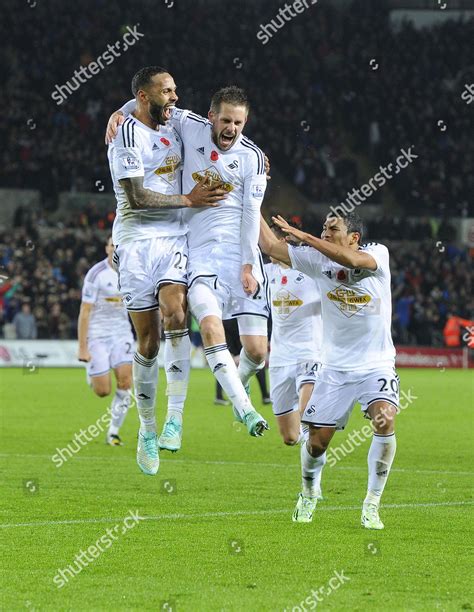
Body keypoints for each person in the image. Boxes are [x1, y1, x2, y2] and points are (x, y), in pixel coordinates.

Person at [108, 85, 270, 437]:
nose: (231, 128)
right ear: (211, 117)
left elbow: (252, 213)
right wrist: (118, 112)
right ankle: (233, 409)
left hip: (241, 256)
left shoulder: (253, 158)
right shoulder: (189, 125)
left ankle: (234, 381)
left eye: (238, 123)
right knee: (199, 325)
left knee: (257, 352)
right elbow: (152, 103)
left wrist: (247, 264)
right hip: (196, 254)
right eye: (225, 120)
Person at [107, 66, 226, 475]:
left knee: (176, 310)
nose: (175, 97)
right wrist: (189, 200)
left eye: (176, 89)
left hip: (174, 238)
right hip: (136, 242)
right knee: (148, 342)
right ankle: (146, 427)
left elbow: (218, 123)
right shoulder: (126, 135)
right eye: (167, 91)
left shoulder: (171, 120)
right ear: (145, 96)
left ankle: (174, 419)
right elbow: (137, 197)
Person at [259, 211, 398, 529]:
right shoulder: (315, 261)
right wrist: (249, 190)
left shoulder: (377, 253)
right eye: (322, 228)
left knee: (385, 418)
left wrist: (304, 237)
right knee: (316, 443)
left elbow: (351, 262)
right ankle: (308, 493)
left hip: (376, 364)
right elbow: (269, 245)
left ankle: (372, 504)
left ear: (354, 238)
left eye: (332, 229)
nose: (324, 232)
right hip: (334, 369)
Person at [265, 222, 323, 500]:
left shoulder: (313, 273)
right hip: (279, 359)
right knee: (290, 437)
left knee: (308, 421)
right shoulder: (266, 274)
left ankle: (310, 486)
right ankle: (315, 452)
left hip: (308, 355)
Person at [77, 236, 134, 446]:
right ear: (107, 248)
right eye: (112, 245)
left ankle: (113, 432)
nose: (115, 248)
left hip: (122, 334)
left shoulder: (132, 271)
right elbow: (85, 311)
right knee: (103, 391)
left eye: (118, 245)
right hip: (98, 335)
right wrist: (82, 347)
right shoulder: (96, 274)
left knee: (126, 382)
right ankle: (92, 371)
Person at [214, 318, 271, 406]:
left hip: (228, 321)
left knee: (226, 362)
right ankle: (265, 395)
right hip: (240, 323)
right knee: (255, 360)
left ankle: (219, 396)